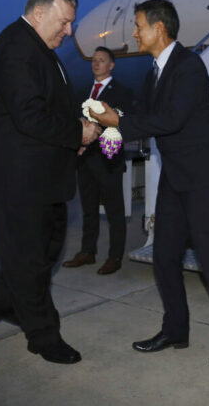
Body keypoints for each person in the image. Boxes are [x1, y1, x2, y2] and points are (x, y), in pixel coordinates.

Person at [91, 0, 209, 368]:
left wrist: (116, 122)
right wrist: (106, 123)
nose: (134, 32)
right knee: (164, 256)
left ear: (159, 28)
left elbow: (170, 119)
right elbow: (145, 116)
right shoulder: (154, 70)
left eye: (138, 25)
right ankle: (176, 329)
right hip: (175, 179)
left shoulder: (189, 66)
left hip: (204, 179)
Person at [0, 0, 101, 365]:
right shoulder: (16, 47)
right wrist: (76, 132)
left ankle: (1, 302)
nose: (70, 31)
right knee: (30, 259)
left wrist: (73, 136)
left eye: (72, 24)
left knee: (42, 251)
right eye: (64, 22)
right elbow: (29, 115)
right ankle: (44, 336)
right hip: (16, 181)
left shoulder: (40, 51)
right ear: (39, 12)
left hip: (41, 177)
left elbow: (48, 111)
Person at [62, 46, 136, 275]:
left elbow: (120, 123)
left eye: (101, 60)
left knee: (115, 211)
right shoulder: (82, 93)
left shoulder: (122, 93)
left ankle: (114, 256)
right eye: (94, 60)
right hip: (85, 161)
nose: (96, 64)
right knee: (89, 209)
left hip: (108, 160)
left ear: (111, 65)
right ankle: (88, 252)